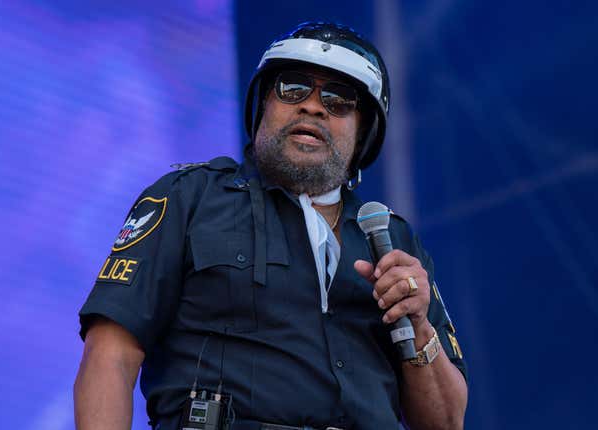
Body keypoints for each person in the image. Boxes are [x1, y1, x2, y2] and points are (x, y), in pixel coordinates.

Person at [74, 21, 468, 430]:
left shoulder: (394, 238)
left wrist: (419, 326)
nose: (313, 106)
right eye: (293, 89)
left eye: (338, 100)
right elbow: (111, 356)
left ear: (364, 133)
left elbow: (446, 422)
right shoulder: (189, 197)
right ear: (262, 105)